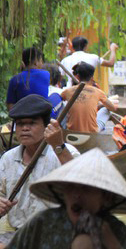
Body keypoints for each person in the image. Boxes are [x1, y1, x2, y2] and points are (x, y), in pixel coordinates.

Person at [4, 148, 126, 249]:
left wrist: (110, 241)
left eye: (86, 189)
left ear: (105, 197)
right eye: (71, 188)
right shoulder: (44, 222)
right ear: (63, 192)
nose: (76, 195)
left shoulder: (116, 230)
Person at [0, 95, 80, 239]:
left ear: (46, 126)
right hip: (21, 233)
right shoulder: (7, 159)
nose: (25, 128)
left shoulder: (65, 152)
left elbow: (84, 187)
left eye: (32, 123)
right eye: (20, 123)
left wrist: (58, 146)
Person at [60, 62, 117, 133]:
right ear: (92, 78)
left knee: (62, 107)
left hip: (71, 132)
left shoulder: (67, 91)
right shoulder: (97, 92)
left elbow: (59, 101)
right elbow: (113, 108)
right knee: (106, 110)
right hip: (92, 133)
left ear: (77, 77)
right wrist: (101, 105)